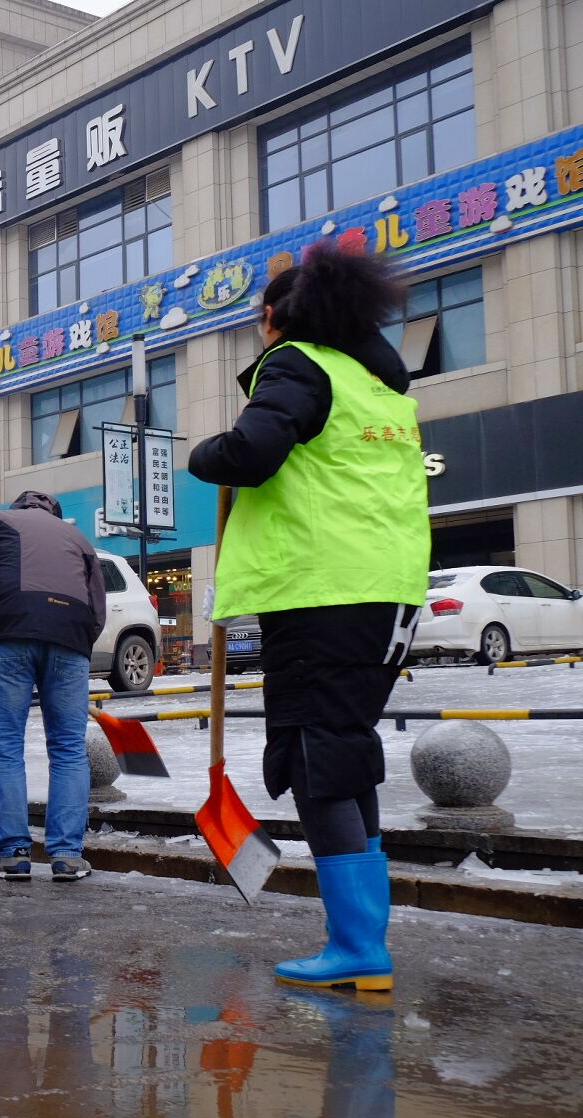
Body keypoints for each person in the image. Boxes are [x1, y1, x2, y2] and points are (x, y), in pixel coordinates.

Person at [188, 242, 427, 992]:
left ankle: (358, 946)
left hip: (321, 593)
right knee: (346, 752)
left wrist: (204, 455)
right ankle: (362, 942)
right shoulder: (382, 390)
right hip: (386, 592)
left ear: (273, 318)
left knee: (317, 760)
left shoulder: (297, 363)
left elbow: (251, 453)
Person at [0, 490, 107, 883]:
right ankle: (67, 855)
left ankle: (13, 853)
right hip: (70, 639)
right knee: (68, 748)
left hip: (9, 634)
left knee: (5, 746)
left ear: (20, 508)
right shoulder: (79, 540)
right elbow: (97, 610)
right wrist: (74, 640)